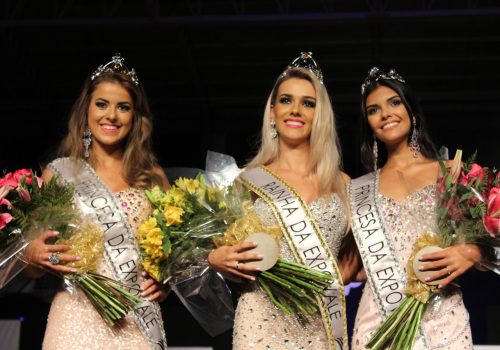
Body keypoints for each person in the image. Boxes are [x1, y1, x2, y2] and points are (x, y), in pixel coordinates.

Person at [23, 54, 169, 350]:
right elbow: (34, 265)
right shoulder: (60, 173)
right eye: (102, 104)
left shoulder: (151, 177)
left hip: (137, 320)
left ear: (135, 117)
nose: (111, 116)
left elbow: (171, 250)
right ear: (86, 111)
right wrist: (39, 255)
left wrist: (165, 280)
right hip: (75, 317)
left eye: (123, 107)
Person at [208, 52, 351, 350]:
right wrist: (216, 259)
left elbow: (356, 258)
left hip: (322, 321)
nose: (295, 110)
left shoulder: (343, 183)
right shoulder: (247, 181)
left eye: (308, 103)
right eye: (286, 100)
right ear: (272, 111)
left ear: (320, 114)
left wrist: (327, 282)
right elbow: (221, 248)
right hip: (260, 321)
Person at [348, 67, 484, 349]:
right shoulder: (357, 189)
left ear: (412, 110)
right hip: (379, 321)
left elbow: (490, 233)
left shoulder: (451, 171)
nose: (385, 113)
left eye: (394, 102)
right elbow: (349, 266)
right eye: (374, 110)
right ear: (368, 123)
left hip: (444, 319)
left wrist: (472, 251)